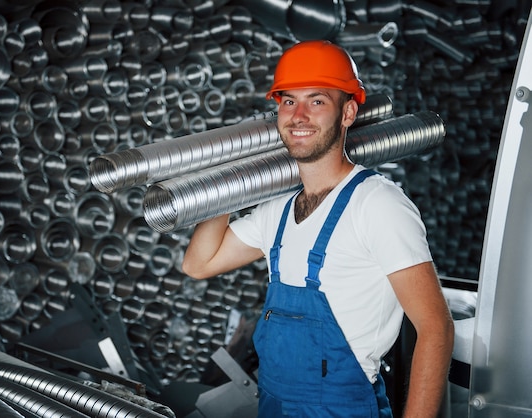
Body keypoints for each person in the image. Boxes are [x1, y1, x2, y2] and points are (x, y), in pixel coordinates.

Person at [181, 40, 454, 417]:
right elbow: (199, 264)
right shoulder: (277, 209)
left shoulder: (377, 205)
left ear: (348, 113)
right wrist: (227, 177)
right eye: (288, 101)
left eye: (317, 101)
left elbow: (436, 327)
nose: (299, 115)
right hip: (274, 406)